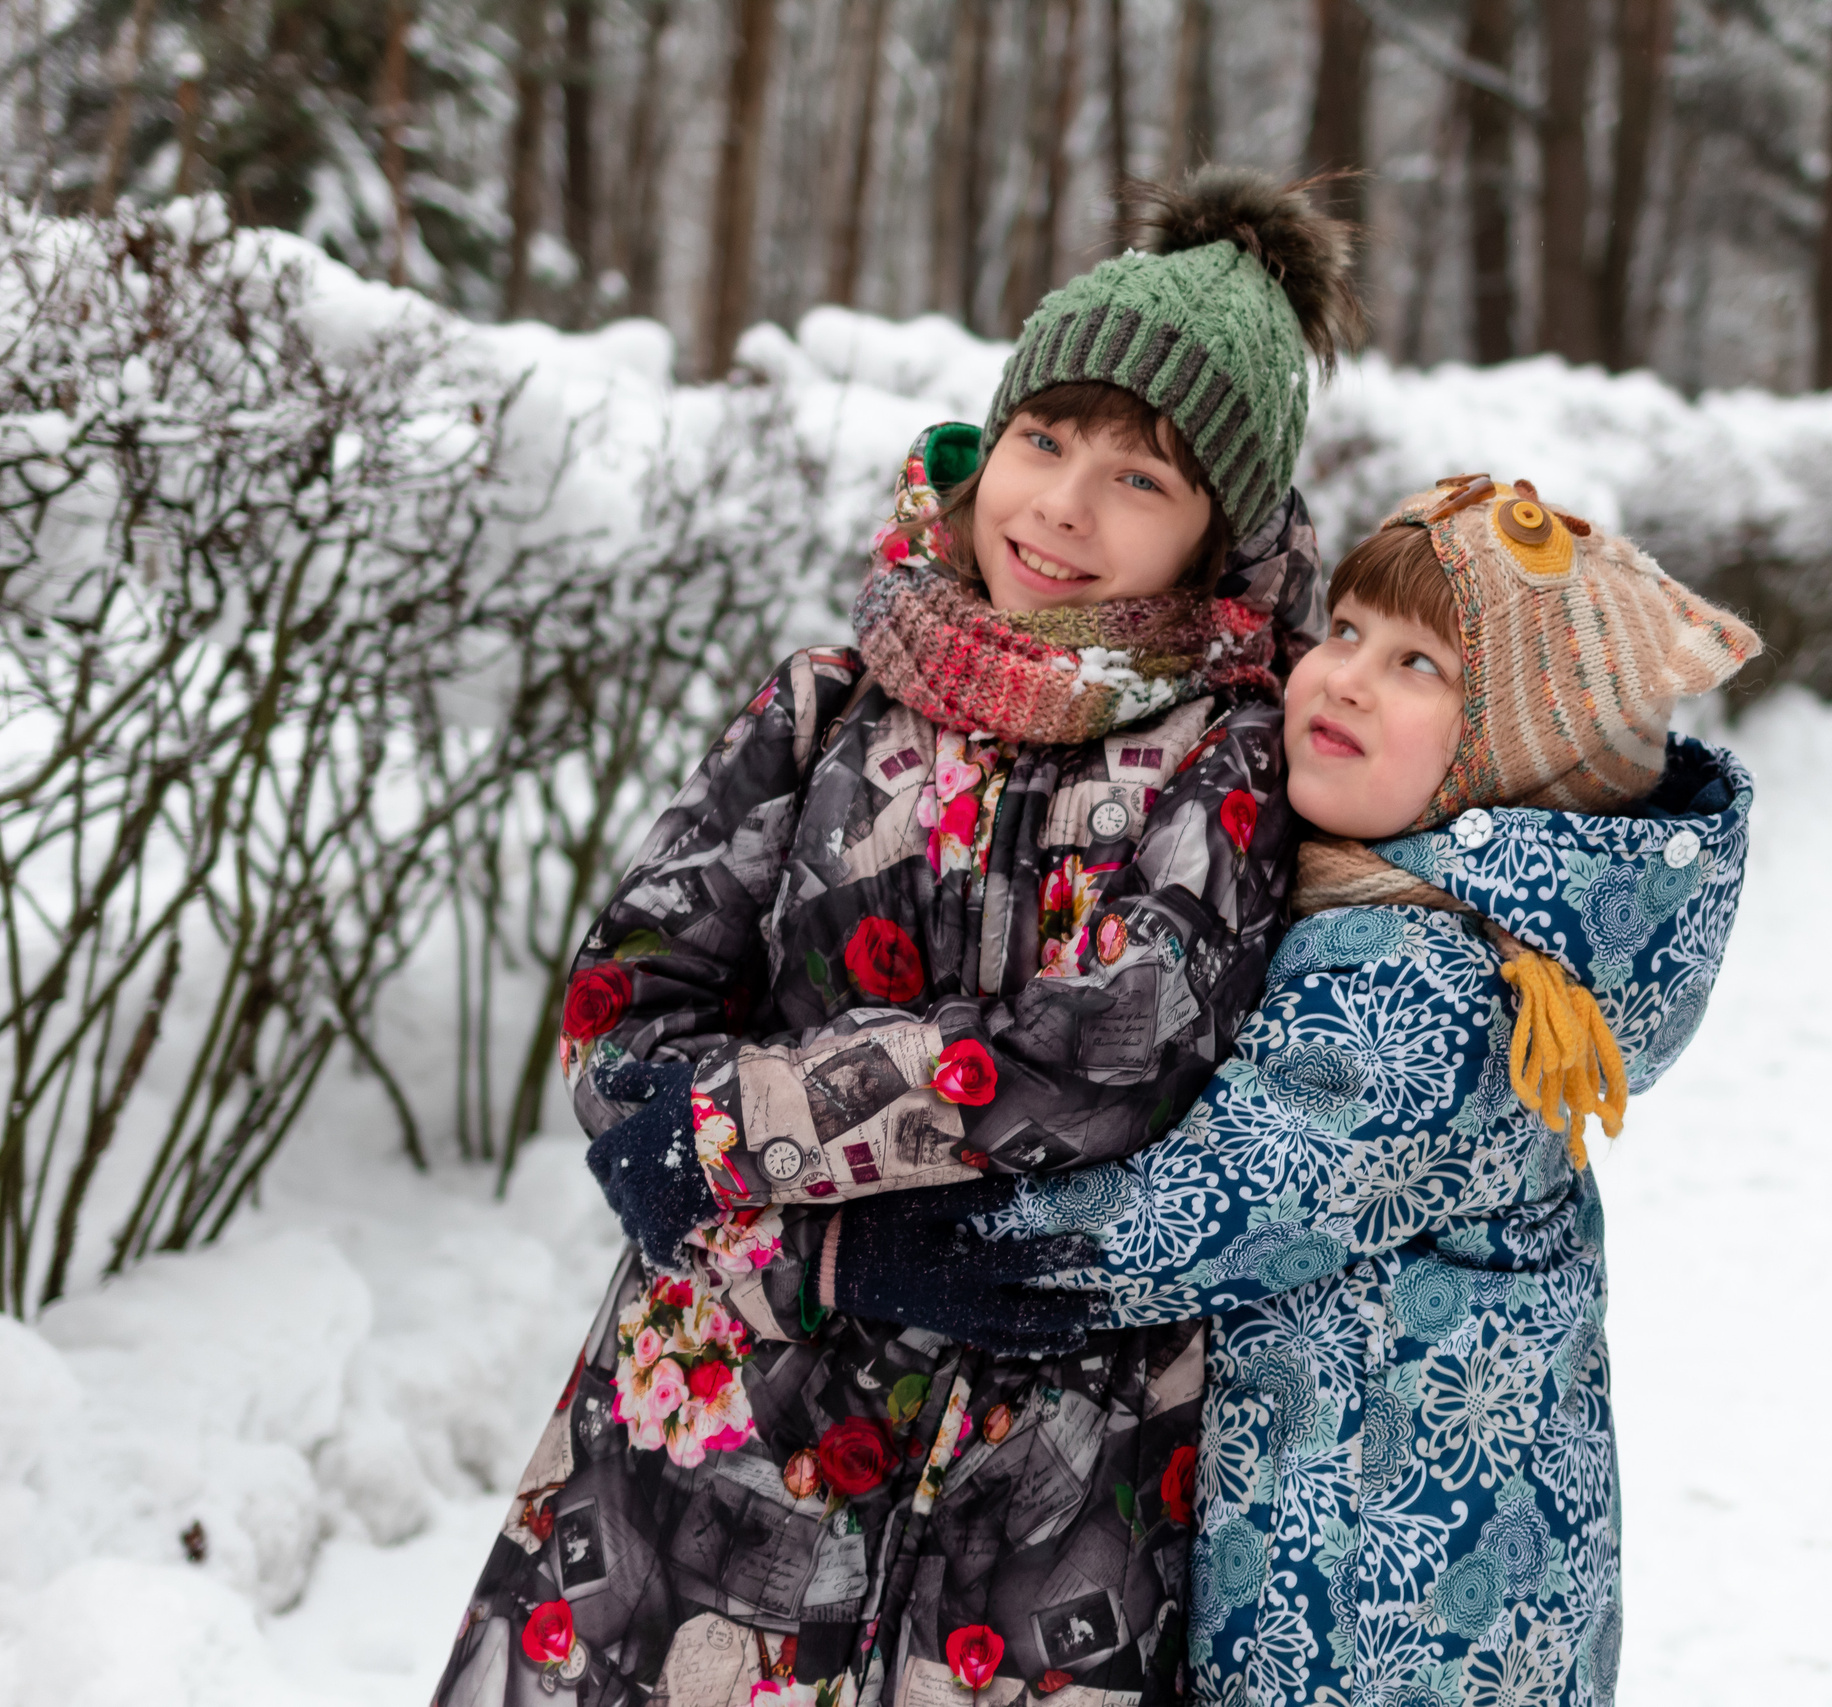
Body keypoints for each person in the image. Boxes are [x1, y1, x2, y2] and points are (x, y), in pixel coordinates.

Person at [433, 169, 1360, 1707]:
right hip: (724, 1423)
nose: (1061, 503)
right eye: (1044, 439)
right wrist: (755, 1182)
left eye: (1141, 478)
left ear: (1218, 533)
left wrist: (751, 1126)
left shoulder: (1229, 759)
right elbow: (626, 1006)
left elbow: (1109, 1050)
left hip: (1034, 1474)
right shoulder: (826, 702)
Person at [821, 476, 1763, 1704]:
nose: (1347, 676)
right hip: (1453, 1570)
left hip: (1379, 1611)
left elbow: (1222, 1202)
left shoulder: (1428, 976)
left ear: (1524, 761)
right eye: (1352, 630)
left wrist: (928, 1244)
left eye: (1422, 666)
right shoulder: (1444, 912)